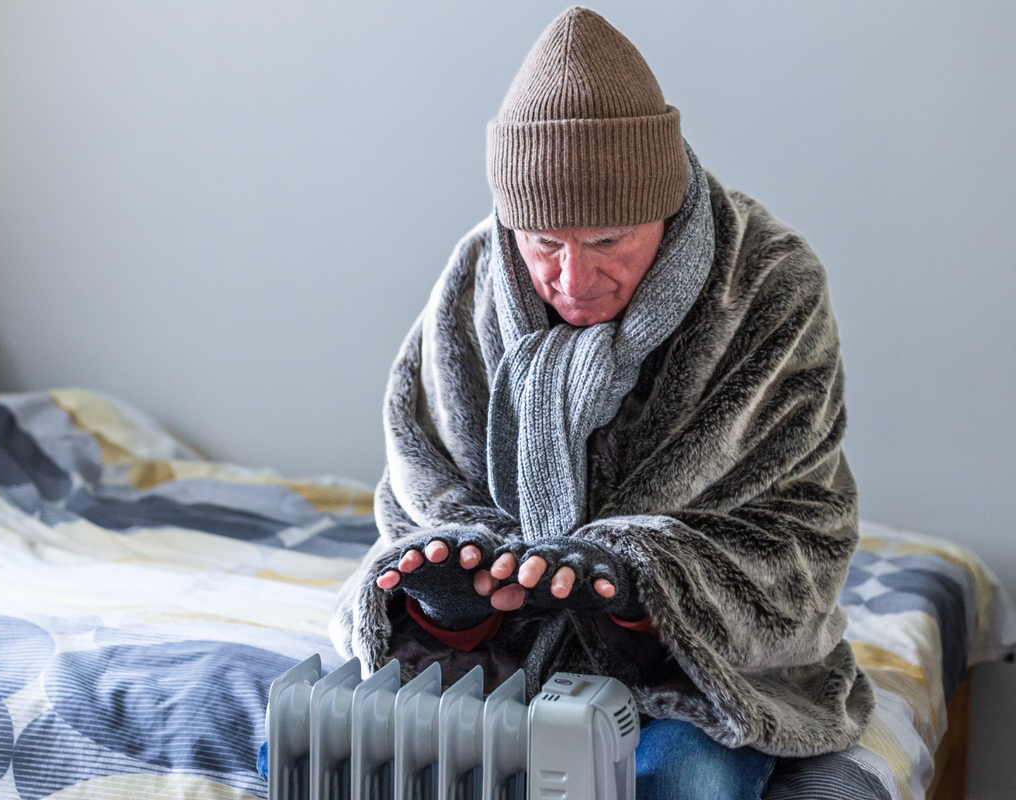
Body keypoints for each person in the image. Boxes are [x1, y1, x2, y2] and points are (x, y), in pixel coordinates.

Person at [331, 6, 874, 799]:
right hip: (500, 659)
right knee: (324, 755)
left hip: (702, 676)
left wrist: (638, 586)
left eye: (610, 240)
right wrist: (458, 598)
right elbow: (420, 488)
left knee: (681, 778)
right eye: (544, 242)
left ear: (666, 201)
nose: (573, 281)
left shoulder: (769, 285)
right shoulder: (475, 277)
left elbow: (798, 534)